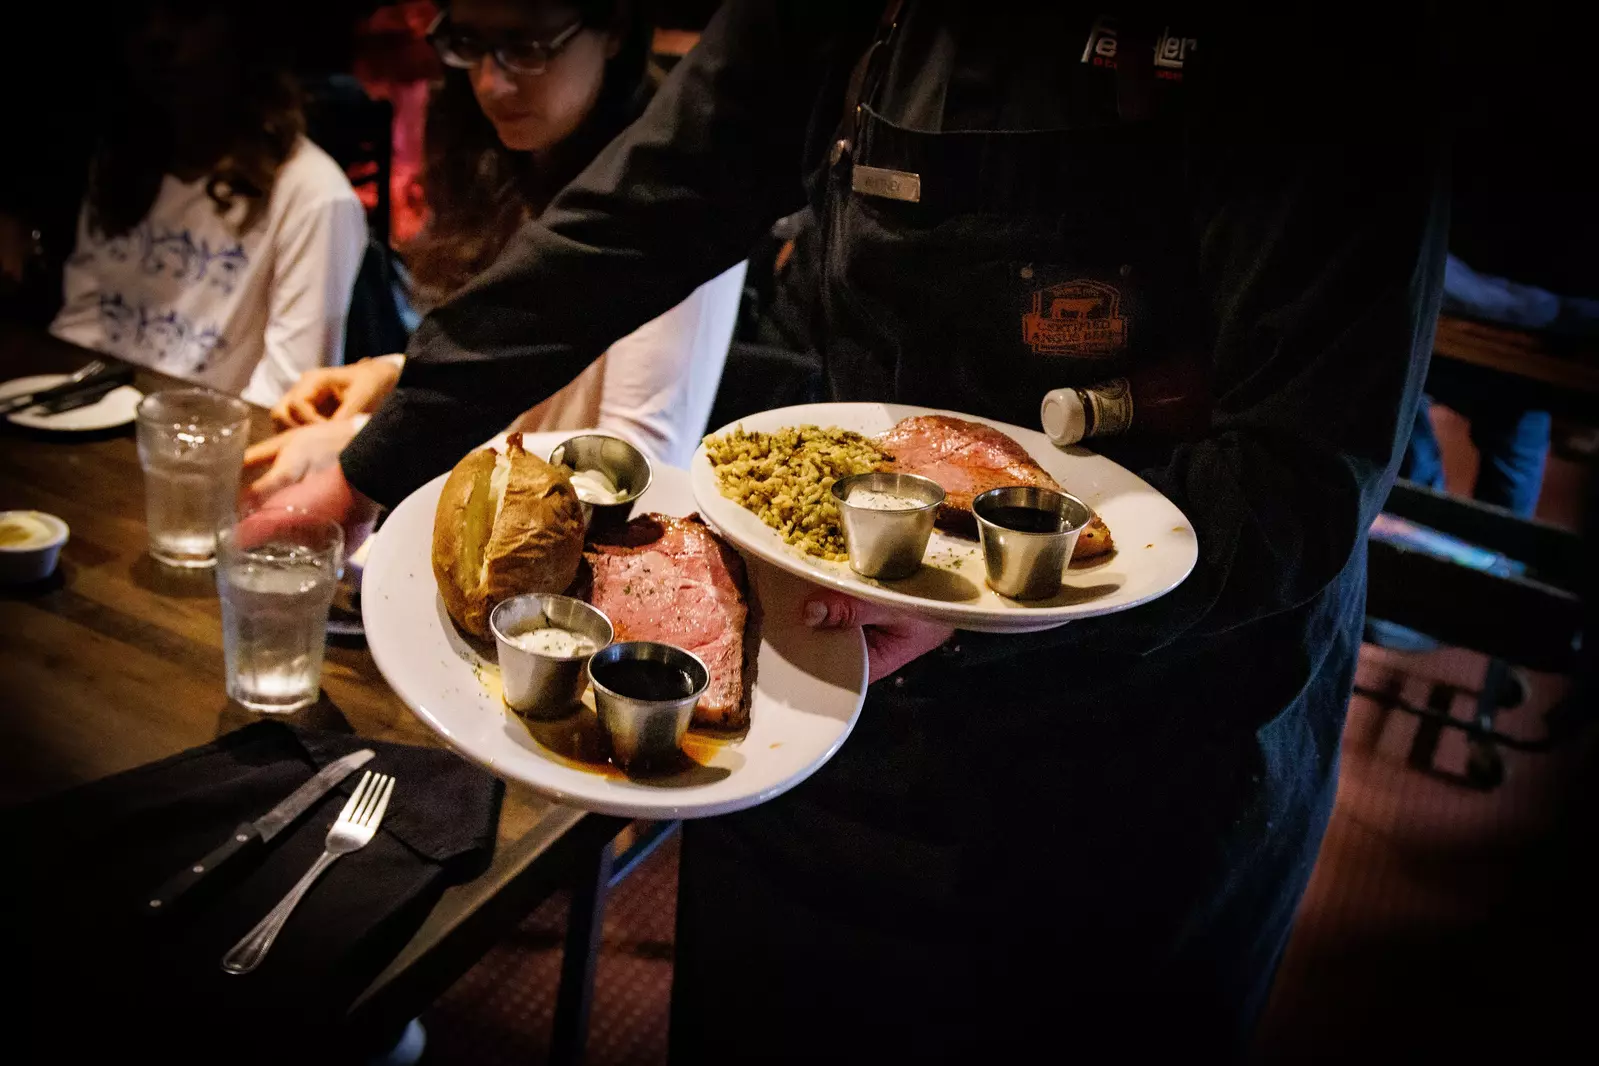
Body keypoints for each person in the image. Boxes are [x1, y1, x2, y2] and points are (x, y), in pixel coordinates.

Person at [261, 3, 1448, 1060]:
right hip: (828, 675)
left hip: (1138, 755)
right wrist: (379, 459)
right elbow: (645, 209)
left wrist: (975, 606)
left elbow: (1298, 476)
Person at [241, 0, 745, 503]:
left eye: (526, 47)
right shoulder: (507, 157)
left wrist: (370, 442)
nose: (490, 83)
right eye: (469, 44)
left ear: (613, 31)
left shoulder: (678, 198)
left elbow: (637, 455)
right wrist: (394, 375)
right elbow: (522, 356)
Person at [46, 0, 367, 406]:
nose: (158, 37)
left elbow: (284, 394)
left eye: (187, 14)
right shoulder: (122, 162)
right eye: (140, 19)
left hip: (210, 444)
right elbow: (81, 324)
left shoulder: (312, 193)